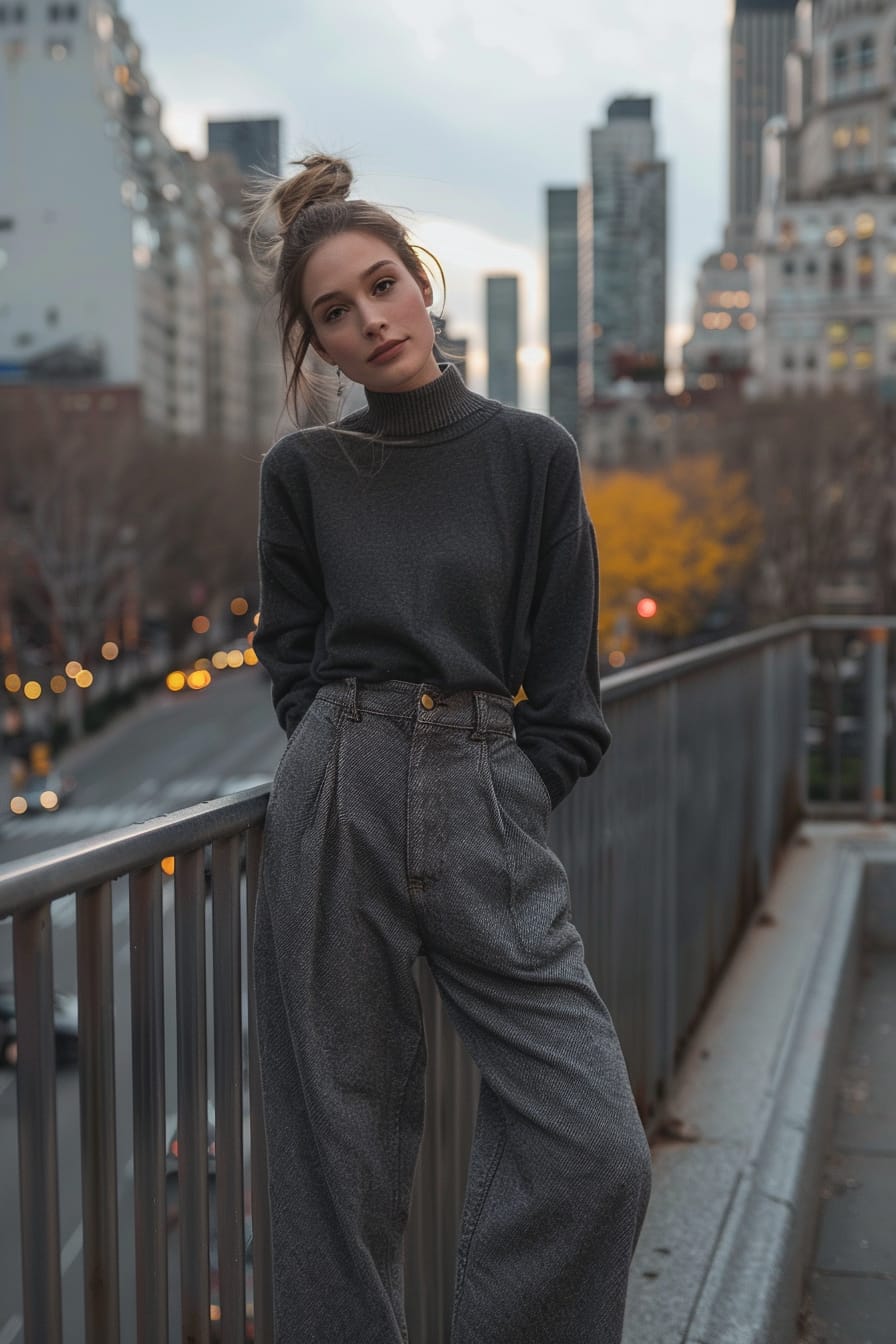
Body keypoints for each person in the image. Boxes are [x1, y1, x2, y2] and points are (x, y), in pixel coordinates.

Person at [247, 153, 652, 1344]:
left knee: (595, 1151)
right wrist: (336, 770)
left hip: (484, 791)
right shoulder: (304, 472)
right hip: (339, 792)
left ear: (421, 282)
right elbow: (292, 656)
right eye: (334, 311)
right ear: (315, 346)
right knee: (339, 1163)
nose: (369, 321)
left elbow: (568, 697)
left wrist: (505, 789)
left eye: (381, 286)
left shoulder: (532, 454)